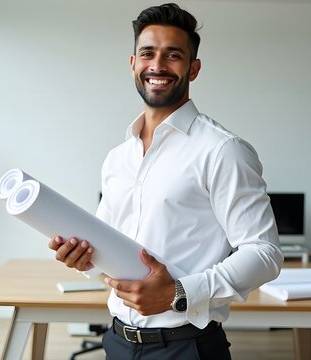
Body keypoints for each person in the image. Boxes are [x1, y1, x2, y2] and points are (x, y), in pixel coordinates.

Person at [49, 3, 283, 359]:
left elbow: (265, 253)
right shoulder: (118, 157)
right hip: (117, 342)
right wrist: (84, 259)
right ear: (133, 64)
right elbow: (109, 250)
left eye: (173, 55)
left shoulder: (222, 150)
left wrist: (178, 292)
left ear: (194, 68)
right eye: (148, 53)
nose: (157, 65)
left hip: (186, 347)